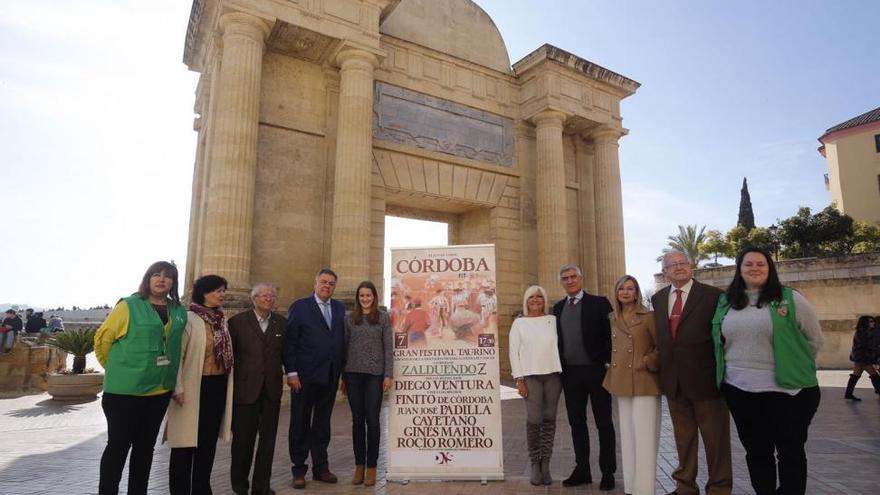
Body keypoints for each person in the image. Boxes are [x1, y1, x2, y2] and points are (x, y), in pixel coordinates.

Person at [712, 247, 824, 495]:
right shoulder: (726, 302)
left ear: (770, 268)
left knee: (790, 451)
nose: (754, 268)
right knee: (757, 452)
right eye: (748, 264)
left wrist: (792, 364)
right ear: (739, 270)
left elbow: (814, 340)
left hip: (789, 391)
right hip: (740, 390)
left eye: (760, 264)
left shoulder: (790, 298)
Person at [94, 261, 187, 495]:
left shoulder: (179, 311)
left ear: (173, 283)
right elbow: (102, 340)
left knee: (145, 450)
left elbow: (176, 348)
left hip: (158, 392)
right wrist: (118, 369)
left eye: (168, 276)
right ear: (148, 279)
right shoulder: (128, 306)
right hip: (124, 393)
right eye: (156, 274)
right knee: (118, 447)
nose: (161, 279)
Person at [651, 250, 732, 495]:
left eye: (682, 263)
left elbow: (724, 336)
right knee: (683, 439)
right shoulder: (658, 299)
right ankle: (685, 486)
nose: (678, 267)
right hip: (674, 383)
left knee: (715, 440)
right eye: (672, 265)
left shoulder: (713, 296)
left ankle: (719, 487)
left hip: (706, 381)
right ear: (665, 271)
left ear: (692, 266)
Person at [166, 274, 234, 495]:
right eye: (218, 291)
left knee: (207, 444)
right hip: (192, 388)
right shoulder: (188, 319)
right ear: (204, 293)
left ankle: (202, 488)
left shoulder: (221, 320)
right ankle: (179, 490)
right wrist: (177, 387)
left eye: (223, 291)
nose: (222, 294)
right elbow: (177, 356)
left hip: (216, 386)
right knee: (185, 443)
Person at [552, 264, 616, 490]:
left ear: (581, 278)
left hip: (597, 371)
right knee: (576, 423)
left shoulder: (600, 303)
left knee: (604, 422)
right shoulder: (557, 308)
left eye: (573, 277)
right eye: (565, 278)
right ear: (561, 282)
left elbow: (612, 336)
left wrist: (608, 363)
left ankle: (608, 472)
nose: (569, 281)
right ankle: (583, 470)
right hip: (570, 374)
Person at [284, 268, 346, 489]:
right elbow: (290, 341)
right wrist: (291, 372)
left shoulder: (339, 308)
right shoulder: (300, 307)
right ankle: (298, 470)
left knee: (322, 424)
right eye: (323, 282)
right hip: (304, 377)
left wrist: (342, 374)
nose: (327, 286)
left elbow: (342, 342)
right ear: (315, 283)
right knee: (300, 423)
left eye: (331, 283)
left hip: (329, 376)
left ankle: (321, 467)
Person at [602, 275, 661, 495]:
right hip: (621, 380)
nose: (626, 292)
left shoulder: (648, 316)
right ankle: (631, 486)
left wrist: (648, 361)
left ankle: (644, 490)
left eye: (630, 288)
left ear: (636, 293)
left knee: (644, 436)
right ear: (616, 293)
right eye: (621, 289)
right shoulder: (612, 317)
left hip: (644, 379)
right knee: (627, 435)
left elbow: (661, 347)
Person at [228, 283, 286, 495]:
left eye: (271, 296)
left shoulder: (281, 323)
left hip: (271, 390)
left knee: (267, 442)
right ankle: (240, 486)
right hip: (245, 390)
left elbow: (286, 355)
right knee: (243, 441)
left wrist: (293, 374)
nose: (268, 299)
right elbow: (230, 358)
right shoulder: (236, 323)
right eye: (263, 296)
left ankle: (261, 487)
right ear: (253, 299)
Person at [509, 285, 562, 486]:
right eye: (532, 296)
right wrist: (519, 379)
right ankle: (534, 463)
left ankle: (545, 465)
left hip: (553, 376)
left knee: (549, 419)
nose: (536, 299)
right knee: (534, 419)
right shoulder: (519, 323)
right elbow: (514, 352)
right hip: (530, 377)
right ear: (526, 300)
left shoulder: (553, 321)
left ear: (544, 300)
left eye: (540, 296)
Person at [341, 281, 392, 487]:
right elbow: (344, 348)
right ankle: (359, 466)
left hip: (375, 376)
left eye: (368, 295)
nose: (365, 298)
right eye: (361, 295)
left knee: (373, 420)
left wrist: (388, 375)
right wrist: (342, 377)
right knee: (356, 421)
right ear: (357, 298)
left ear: (374, 297)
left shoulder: (383, 318)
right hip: (353, 374)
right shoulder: (349, 319)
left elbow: (388, 348)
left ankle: (372, 467)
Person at [845, 315, 880, 400]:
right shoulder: (862, 332)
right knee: (874, 375)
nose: (873, 323)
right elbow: (865, 345)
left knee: (855, 375)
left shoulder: (867, 331)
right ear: (865, 323)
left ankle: (848, 394)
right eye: (871, 321)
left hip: (860, 357)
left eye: (873, 321)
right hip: (863, 357)